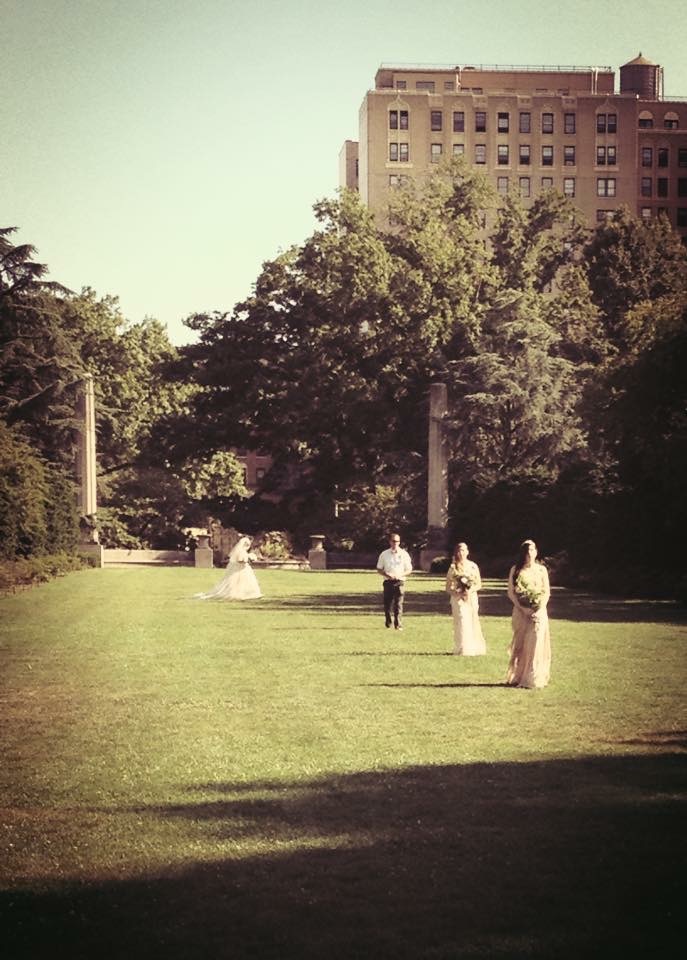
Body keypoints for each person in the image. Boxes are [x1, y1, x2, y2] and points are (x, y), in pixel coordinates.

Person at [505, 539, 551, 688]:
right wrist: (523, 608)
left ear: (536, 552)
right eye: (527, 551)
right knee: (521, 645)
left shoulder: (541, 570)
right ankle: (518, 675)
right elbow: (511, 593)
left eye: (532, 550)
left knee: (535, 643)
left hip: (539, 612)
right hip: (521, 612)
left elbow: (546, 592)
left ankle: (533, 677)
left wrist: (539, 608)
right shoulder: (516, 570)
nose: (529, 554)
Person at [445, 541, 486, 656]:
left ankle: (473, 646)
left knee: (472, 620)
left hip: (471, 598)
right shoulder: (453, 568)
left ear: (467, 552)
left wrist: (469, 591)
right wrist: (457, 592)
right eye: (459, 550)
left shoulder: (473, 566)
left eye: (463, 550)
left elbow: (479, 584)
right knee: (461, 621)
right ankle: (462, 647)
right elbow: (448, 587)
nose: (461, 553)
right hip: (458, 599)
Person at [194, 536, 262, 601]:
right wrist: (248, 559)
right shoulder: (240, 552)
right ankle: (238, 594)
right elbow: (240, 560)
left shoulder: (243, 552)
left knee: (247, 582)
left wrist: (249, 558)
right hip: (240, 569)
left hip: (244, 569)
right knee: (238, 582)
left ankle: (249, 593)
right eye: (247, 545)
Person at [376, 532, 413, 630]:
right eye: (393, 541)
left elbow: (409, 569)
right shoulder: (384, 554)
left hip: (399, 582)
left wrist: (400, 575)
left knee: (398, 604)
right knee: (387, 604)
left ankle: (398, 624)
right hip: (388, 582)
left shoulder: (404, 554)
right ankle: (388, 622)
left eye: (397, 541)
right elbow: (379, 569)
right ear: (390, 542)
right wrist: (387, 575)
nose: (395, 543)